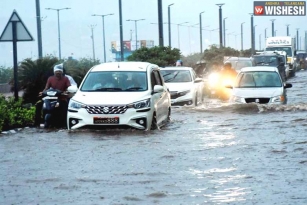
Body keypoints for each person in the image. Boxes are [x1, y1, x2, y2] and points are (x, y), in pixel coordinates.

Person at [34, 64, 71, 128]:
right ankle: (37, 123)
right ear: (54, 72)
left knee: (65, 106)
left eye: (59, 71)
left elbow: (69, 87)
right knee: (38, 105)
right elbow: (46, 88)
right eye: (57, 71)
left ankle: (65, 124)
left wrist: (66, 92)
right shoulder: (50, 79)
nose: (58, 72)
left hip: (61, 98)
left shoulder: (66, 79)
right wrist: (43, 92)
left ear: (62, 72)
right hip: (50, 98)